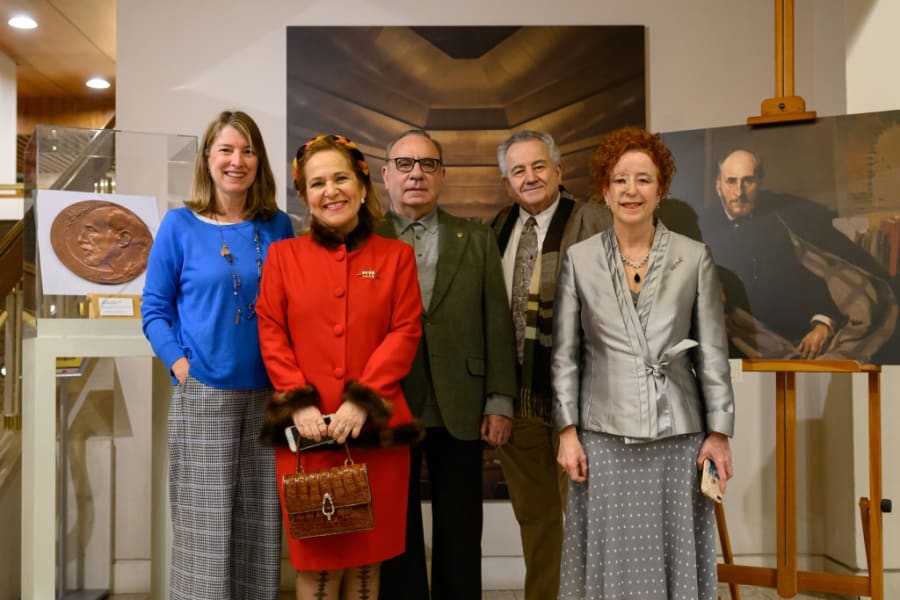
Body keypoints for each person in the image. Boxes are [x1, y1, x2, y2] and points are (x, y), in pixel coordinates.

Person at [553, 127, 735, 599]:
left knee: (674, 554)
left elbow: (714, 352)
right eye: (620, 181)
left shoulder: (694, 257)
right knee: (612, 557)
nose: (631, 191)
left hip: (678, 436)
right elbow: (566, 355)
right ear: (606, 190)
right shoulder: (579, 259)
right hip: (602, 437)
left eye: (643, 180)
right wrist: (567, 432)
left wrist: (718, 434)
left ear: (661, 189)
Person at [255, 134, 423, 600]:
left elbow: (404, 332)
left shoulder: (397, 258)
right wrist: (298, 402)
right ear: (305, 195)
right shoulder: (283, 258)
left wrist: (361, 400)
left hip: (375, 431)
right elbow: (271, 331)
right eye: (317, 183)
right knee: (318, 567)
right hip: (307, 437)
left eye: (340, 178)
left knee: (369, 566)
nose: (331, 191)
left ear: (364, 184)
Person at [141, 110, 294, 599]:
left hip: (269, 395)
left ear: (259, 161)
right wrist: (181, 364)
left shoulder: (278, 225)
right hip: (205, 392)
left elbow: (294, 304)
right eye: (226, 149)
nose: (237, 160)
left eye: (248, 150)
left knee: (260, 529)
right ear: (207, 159)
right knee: (204, 532)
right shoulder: (179, 225)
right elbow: (154, 308)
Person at [376, 129, 518, 600]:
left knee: (460, 531)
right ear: (386, 175)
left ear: (442, 175)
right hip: (389, 403)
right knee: (396, 534)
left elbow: (497, 321)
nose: (416, 173)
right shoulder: (364, 241)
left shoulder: (475, 239)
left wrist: (499, 399)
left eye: (428, 164)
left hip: (462, 404)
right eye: (404, 164)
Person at [489, 130, 609, 600]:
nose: (530, 177)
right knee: (535, 519)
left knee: (585, 516)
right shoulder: (494, 230)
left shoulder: (593, 220)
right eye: (519, 170)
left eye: (539, 166)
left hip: (580, 403)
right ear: (506, 182)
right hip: (517, 401)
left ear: (558, 171)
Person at [704, 148, 898, 361]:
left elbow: (826, 274)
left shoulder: (788, 219)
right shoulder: (703, 229)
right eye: (731, 181)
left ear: (759, 182)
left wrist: (823, 323)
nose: (739, 192)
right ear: (718, 186)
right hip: (742, 339)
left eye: (747, 181)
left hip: (802, 337)